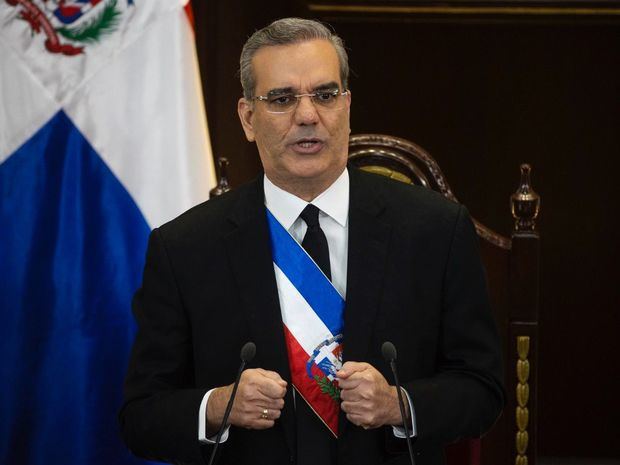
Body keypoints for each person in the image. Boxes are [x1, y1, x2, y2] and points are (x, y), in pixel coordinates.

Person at [120, 18, 504, 465]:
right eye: (282, 99)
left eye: (325, 95)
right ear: (248, 117)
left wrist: (398, 405)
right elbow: (140, 417)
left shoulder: (434, 231)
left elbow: (483, 390)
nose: (307, 115)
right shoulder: (184, 247)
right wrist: (219, 406)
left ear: (346, 105)